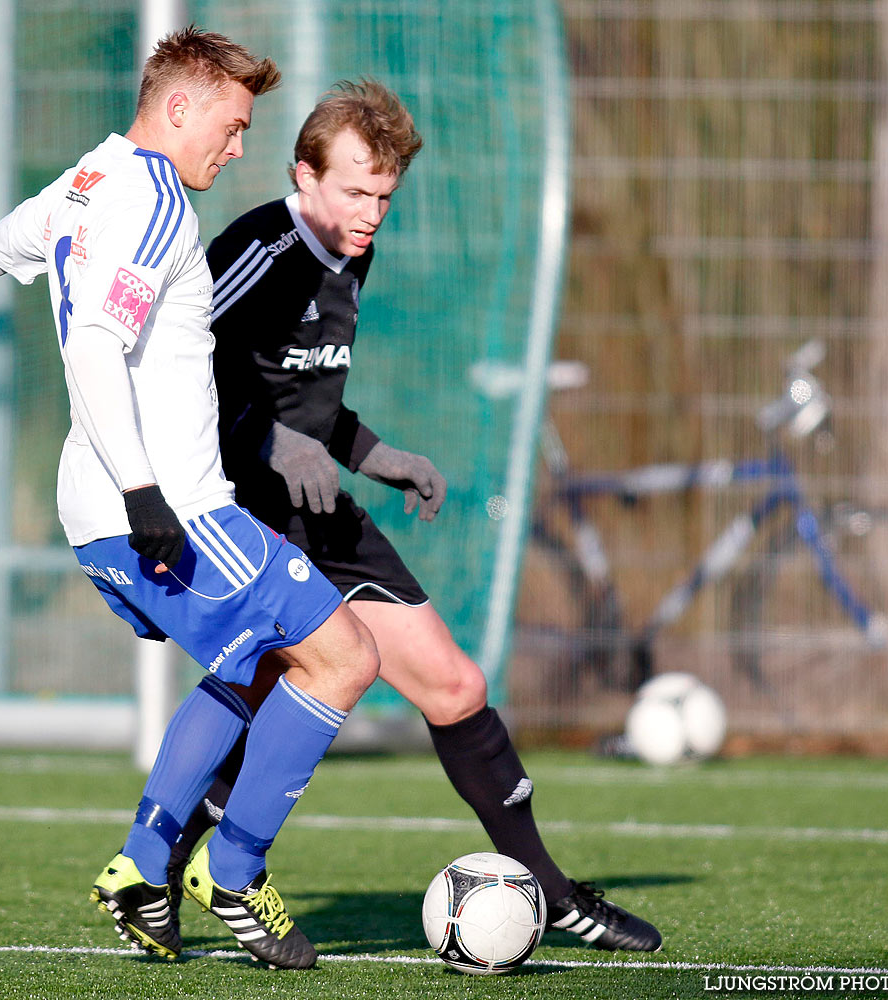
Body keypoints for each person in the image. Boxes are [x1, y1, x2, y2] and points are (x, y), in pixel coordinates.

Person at [0, 28, 382, 972]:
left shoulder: (90, 179)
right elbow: (94, 342)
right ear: (180, 107)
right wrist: (146, 496)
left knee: (257, 663)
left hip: (99, 510)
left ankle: (140, 865)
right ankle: (237, 870)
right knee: (342, 657)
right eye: (232, 124)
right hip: (165, 502)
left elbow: (5, 244)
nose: (238, 146)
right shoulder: (158, 204)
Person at [157, 79, 663, 955]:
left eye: (385, 196)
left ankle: (547, 892)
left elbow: (307, 396)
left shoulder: (351, 247)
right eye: (354, 190)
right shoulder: (260, 247)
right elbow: (184, 380)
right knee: (271, 694)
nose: (371, 212)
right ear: (302, 175)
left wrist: (376, 454)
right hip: (244, 515)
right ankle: (161, 873)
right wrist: (273, 444)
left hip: (321, 512)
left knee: (457, 687)